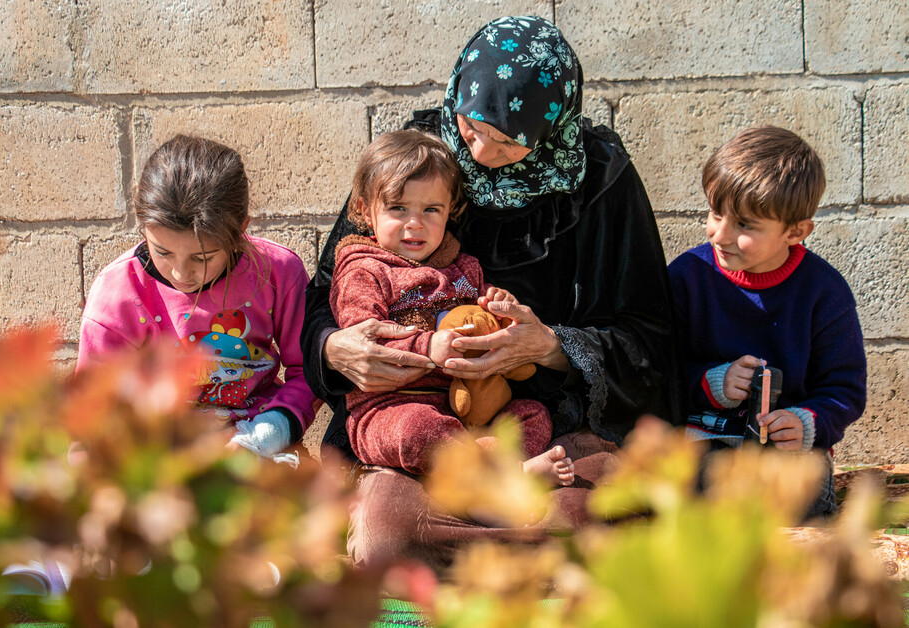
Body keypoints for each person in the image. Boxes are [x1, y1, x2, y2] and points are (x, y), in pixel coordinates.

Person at [301, 16, 680, 567]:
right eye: (472, 127)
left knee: (605, 512)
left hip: (542, 418)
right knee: (389, 532)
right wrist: (337, 349)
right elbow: (327, 291)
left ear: (550, 131)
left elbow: (650, 334)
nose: (478, 152)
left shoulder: (601, 179)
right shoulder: (418, 159)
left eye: (507, 142)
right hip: (420, 415)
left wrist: (550, 347)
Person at [330, 129, 575, 485]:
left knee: (533, 415)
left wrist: (502, 306)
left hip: (473, 407)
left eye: (431, 209)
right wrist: (428, 348)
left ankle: (485, 474)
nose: (415, 223)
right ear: (366, 210)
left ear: (452, 211)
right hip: (394, 405)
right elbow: (363, 342)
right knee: (418, 431)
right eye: (398, 208)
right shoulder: (364, 270)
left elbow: (484, 310)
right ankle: (504, 480)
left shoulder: (463, 266)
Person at [78, 135, 316, 465]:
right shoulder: (118, 293)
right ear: (142, 223)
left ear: (240, 231)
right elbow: (93, 407)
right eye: (161, 251)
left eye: (202, 258)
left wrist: (264, 436)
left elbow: (309, 370)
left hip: (259, 439)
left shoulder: (277, 272)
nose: (180, 273)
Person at [667, 126, 866, 514]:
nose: (719, 235)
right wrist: (710, 382)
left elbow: (845, 389)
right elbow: (654, 369)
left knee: (800, 502)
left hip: (786, 457)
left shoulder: (824, 292)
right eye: (715, 214)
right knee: (699, 491)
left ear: (796, 231)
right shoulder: (687, 277)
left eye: (744, 225)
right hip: (705, 440)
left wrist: (808, 422)